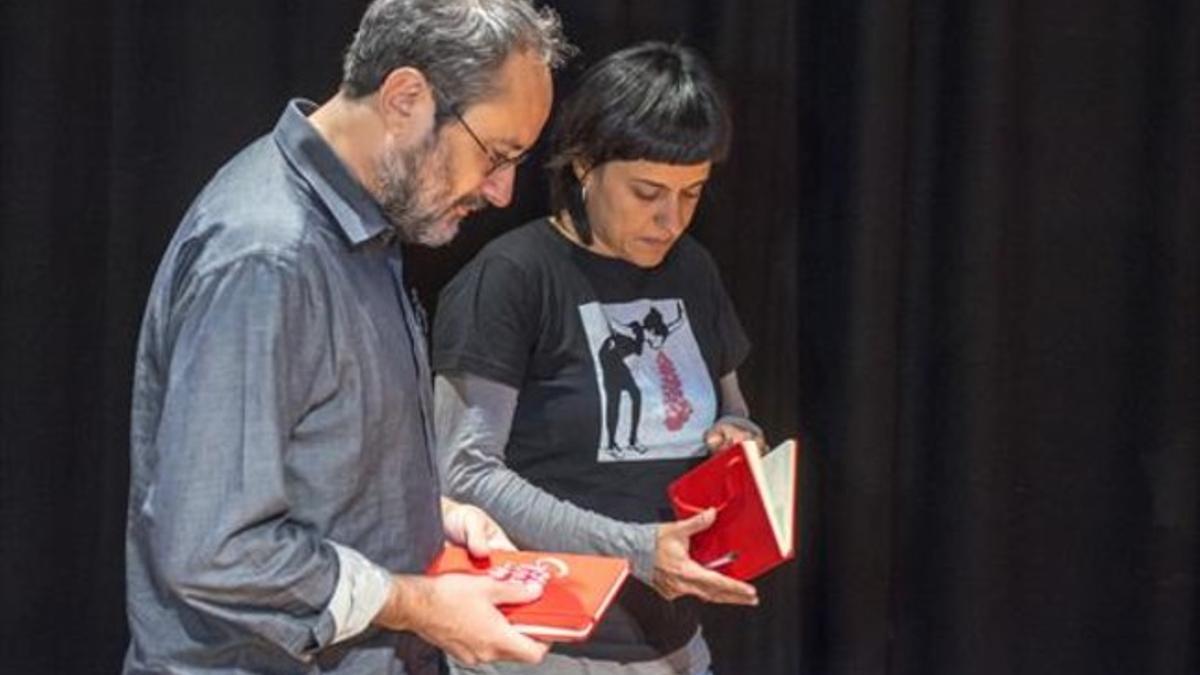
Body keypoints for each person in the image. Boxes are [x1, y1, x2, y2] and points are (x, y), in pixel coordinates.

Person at [123, 2, 572, 673]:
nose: (504, 192)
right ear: (406, 97)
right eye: (497, 154)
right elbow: (214, 548)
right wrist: (418, 602)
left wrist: (425, 513)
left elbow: (312, 456)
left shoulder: (364, 222)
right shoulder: (268, 255)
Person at [433, 42, 764, 675]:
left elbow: (735, 412)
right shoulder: (513, 277)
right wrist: (634, 549)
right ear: (584, 165)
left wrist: (738, 440)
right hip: (539, 645)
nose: (671, 220)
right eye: (647, 192)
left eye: (692, 195)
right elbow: (463, 474)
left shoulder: (692, 269)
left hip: (673, 644)